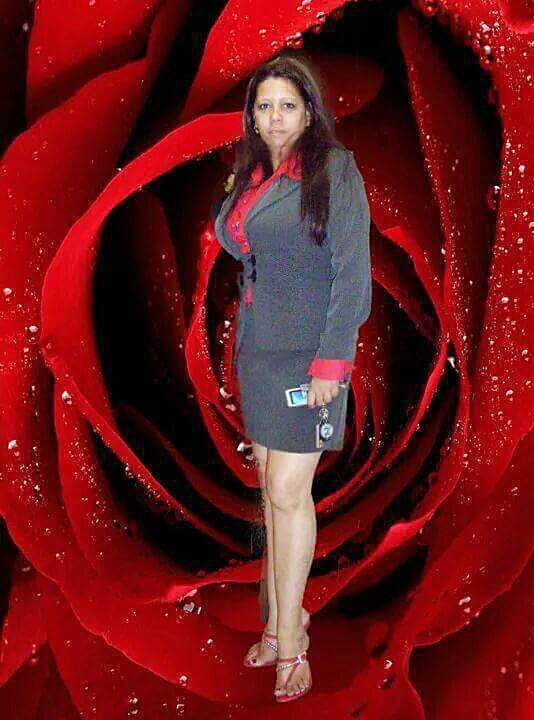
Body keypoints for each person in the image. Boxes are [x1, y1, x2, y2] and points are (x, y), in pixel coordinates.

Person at [213, 52, 372, 702]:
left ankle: (292, 647)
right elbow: (240, 247)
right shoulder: (251, 176)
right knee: (271, 495)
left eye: (287, 104)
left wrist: (335, 361)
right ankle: (283, 621)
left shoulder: (333, 170)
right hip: (259, 354)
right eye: (264, 105)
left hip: (310, 357)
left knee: (287, 491)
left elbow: (351, 270)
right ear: (252, 115)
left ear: (310, 111)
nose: (275, 117)